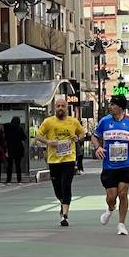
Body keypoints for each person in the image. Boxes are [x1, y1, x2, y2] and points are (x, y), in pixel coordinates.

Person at [92, 94, 129, 237]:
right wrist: (98, 147)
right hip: (109, 166)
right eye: (110, 104)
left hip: (126, 165)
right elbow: (94, 136)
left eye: (112, 104)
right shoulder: (104, 121)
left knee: (122, 193)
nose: (110, 106)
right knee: (111, 196)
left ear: (120, 107)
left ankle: (121, 224)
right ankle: (110, 209)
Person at [33, 95, 87, 227]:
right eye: (58, 106)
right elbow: (38, 135)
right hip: (53, 160)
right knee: (57, 189)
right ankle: (62, 202)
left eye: (63, 106)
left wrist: (77, 137)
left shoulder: (73, 121)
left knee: (66, 185)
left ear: (67, 108)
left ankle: (65, 216)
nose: (61, 108)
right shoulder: (48, 122)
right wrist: (48, 141)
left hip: (69, 159)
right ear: (55, 108)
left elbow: (83, 133)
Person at [3, 116, 27, 184]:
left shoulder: (7, 128)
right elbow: (24, 138)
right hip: (18, 148)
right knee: (18, 165)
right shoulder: (19, 129)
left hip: (10, 148)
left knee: (9, 165)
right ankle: (19, 180)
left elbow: (5, 137)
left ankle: (8, 180)